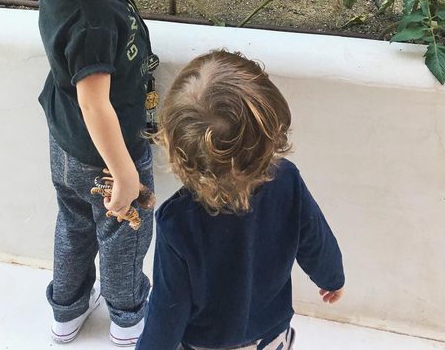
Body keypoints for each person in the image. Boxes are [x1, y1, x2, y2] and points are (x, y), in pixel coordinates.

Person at [4, 0, 203, 346]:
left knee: (73, 225)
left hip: (66, 144)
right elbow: (97, 105)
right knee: (124, 233)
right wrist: (125, 174)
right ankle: (127, 316)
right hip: (105, 152)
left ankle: (66, 310)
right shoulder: (91, 18)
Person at [137, 50, 345, 350]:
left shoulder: (177, 222)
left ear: (175, 147)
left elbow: (168, 309)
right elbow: (315, 239)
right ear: (272, 134)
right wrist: (331, 277)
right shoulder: (286, 180)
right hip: (271, 335)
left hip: (207, 343)